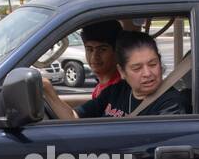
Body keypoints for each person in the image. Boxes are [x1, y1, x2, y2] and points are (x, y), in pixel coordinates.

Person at [47, 31, 183, 118]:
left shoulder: (170, 103)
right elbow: (73, 117)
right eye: (137, 68)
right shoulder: (116, 91)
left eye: (153, 64)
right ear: (122, 72)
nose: (147, 73)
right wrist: (47, 90)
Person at [81, 19, 123, 99]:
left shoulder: (121, 87)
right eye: (90, 49)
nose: (94, 56)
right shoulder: (99, 88)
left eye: (102, 49)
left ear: (116, 51)